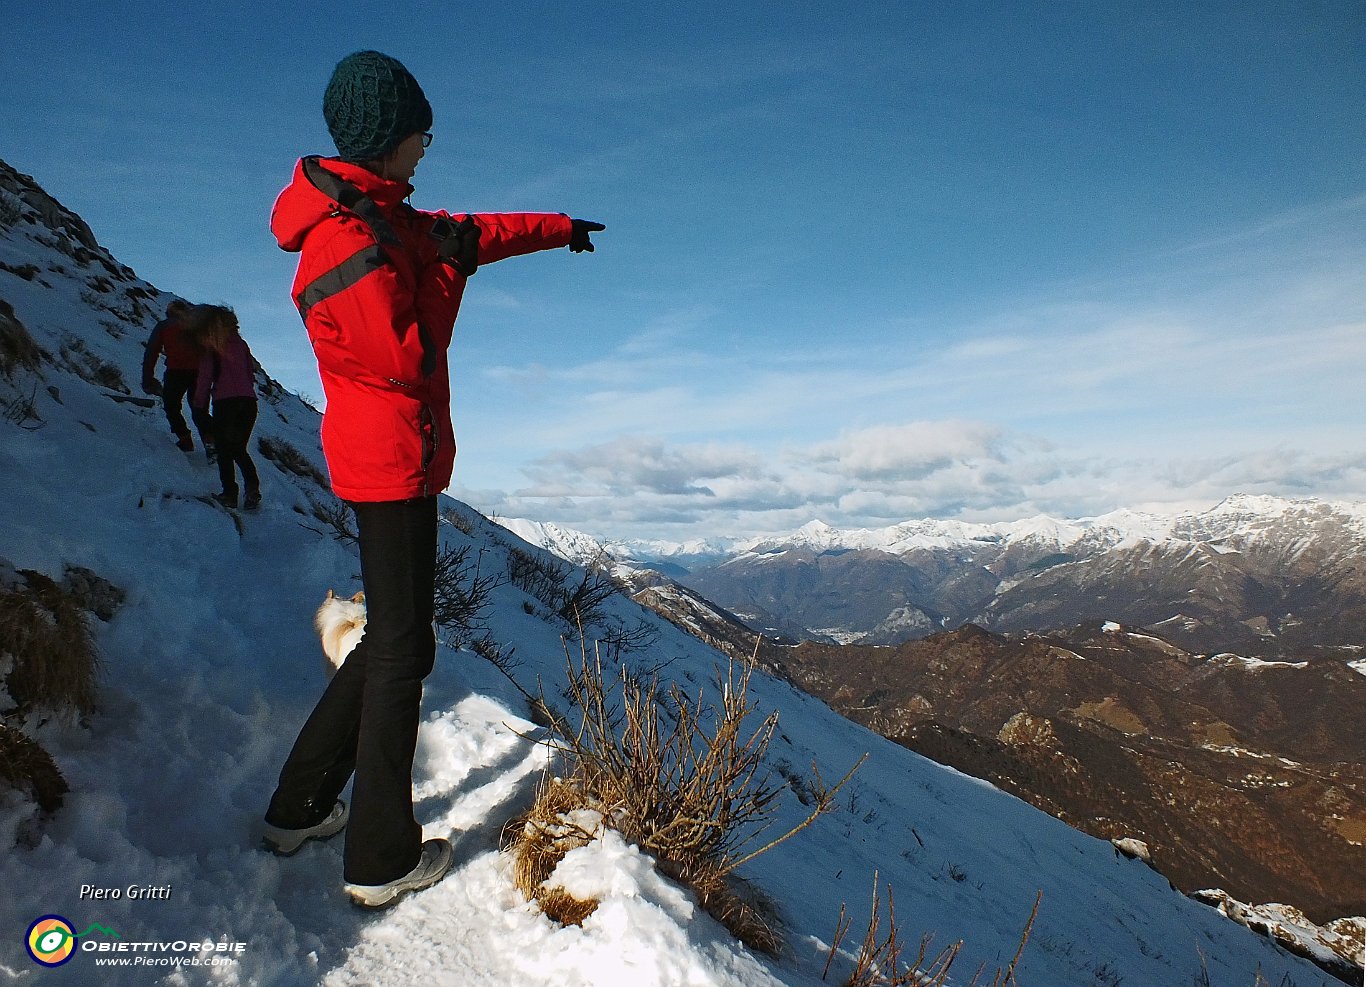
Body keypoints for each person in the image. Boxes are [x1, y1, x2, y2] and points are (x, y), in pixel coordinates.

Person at [260, 49, 604, 908]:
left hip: (398, 459)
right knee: (404, 652)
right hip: (387, 465)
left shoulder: (381, 214)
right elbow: (406, 359)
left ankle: (298, 806)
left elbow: (472, 232)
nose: (429, 147)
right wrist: (448, 272)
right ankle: (378, 855)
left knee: (392, 643)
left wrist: (559, 226)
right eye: (420, 134)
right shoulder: (344, 242)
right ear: (386, 141)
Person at [186, 305, 261, 511]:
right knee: (238, 448)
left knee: (224, 450)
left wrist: (199, 405)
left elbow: (205, 378)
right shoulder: (241, 345)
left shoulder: (212, 346)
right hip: (248, 402)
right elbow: (249, 373)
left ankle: (229, 493)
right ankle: (252, 488)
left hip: (225, 402)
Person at [141, 299, 215, 458]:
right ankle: (210, 441)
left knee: (171, 405)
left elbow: (151, 352)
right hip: (199, 373)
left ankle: (185, 439)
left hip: (176, 372)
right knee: (199, 409)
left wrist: (147, 378)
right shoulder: (197, 327)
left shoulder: (163, 327)